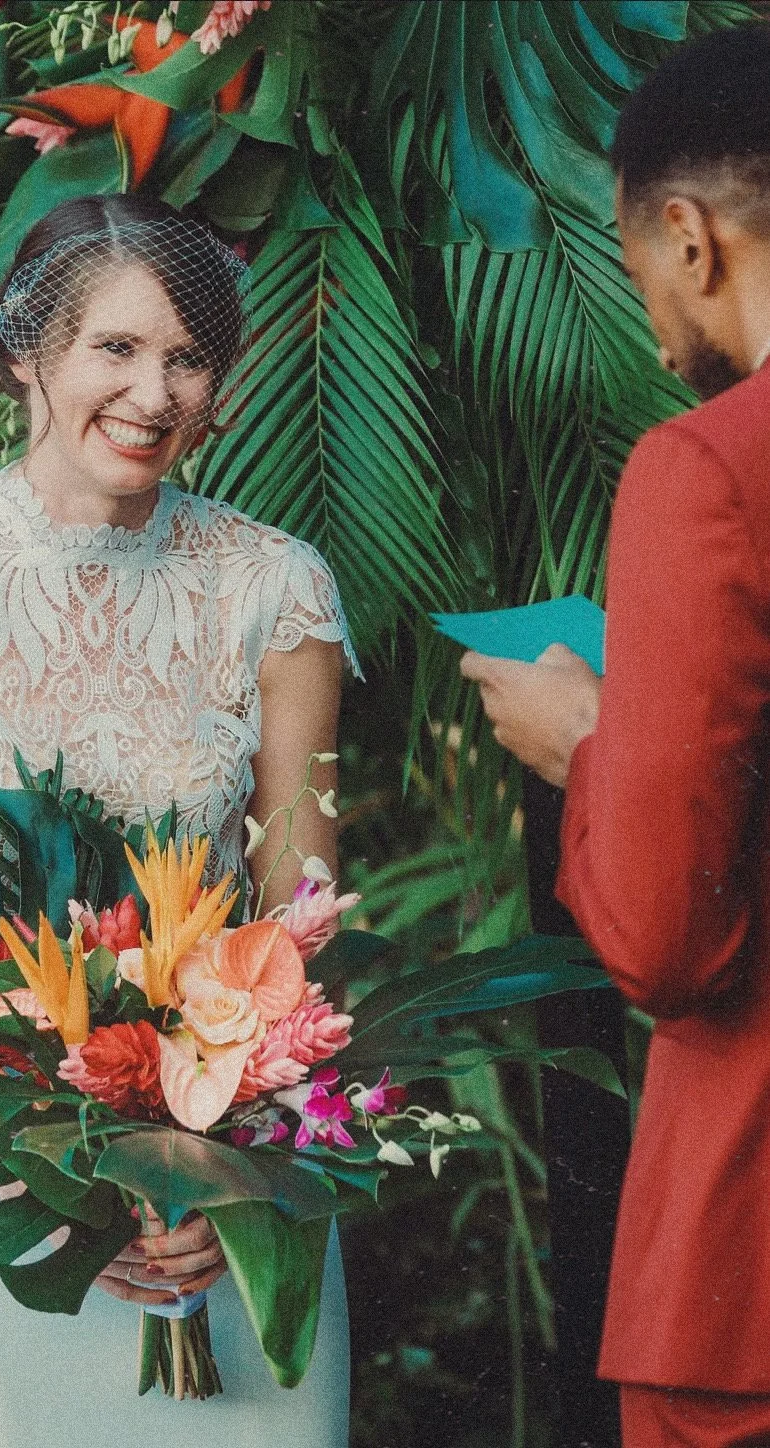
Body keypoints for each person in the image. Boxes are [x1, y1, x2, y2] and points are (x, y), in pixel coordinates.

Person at [0, 194, 359, 1448]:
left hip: (222, 1206)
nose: (156, 392)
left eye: (190, 356)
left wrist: (232, 1171)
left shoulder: (276, 588)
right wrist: (42, 1181)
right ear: (22, 350)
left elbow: (298, 922)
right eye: (116, 347)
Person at [458, 24, 770, 1448]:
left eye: (636, 258)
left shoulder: (705, 470)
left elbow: (662, 937)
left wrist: (590, 743)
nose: (645, 317)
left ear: (691, 237)